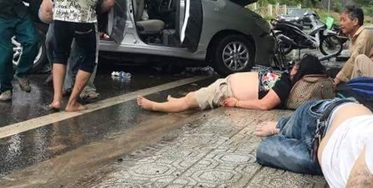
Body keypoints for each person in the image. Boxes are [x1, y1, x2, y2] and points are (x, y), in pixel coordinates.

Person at [49, 0, 120, 112]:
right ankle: (72, 103)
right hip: (84, 18)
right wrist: (97, 10)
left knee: (59, 56)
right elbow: (110, 1)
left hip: (60, 16)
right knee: (88, 60)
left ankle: (56, 100)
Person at [137, 55, 326, 113]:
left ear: (301, 71)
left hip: (226, 91)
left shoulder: (285, 86)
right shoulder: (286, 82)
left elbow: (264, 104)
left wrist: (237, 103)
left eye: (297, 66)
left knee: (189, 101)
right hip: (226, 85)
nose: (293, 67)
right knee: (191, 97)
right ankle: (173, 101)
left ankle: (154, 106)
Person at [333, 5, 373, 85]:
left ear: (355, 21)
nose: (341, 23)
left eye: (344, 20)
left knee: (358, 59)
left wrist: (336, 80)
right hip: (366, 73)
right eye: (340, 20)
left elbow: (353, 60)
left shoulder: (364, 35)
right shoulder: (353, 37)